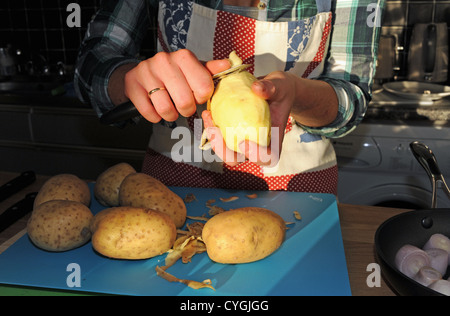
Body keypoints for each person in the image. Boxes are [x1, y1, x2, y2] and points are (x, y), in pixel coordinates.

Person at [74, 0, 385, 195]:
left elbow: (351, 97)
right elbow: (93, 61)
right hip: (170, 189)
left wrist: (297, 92)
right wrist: (127, 79)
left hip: (300, 193)